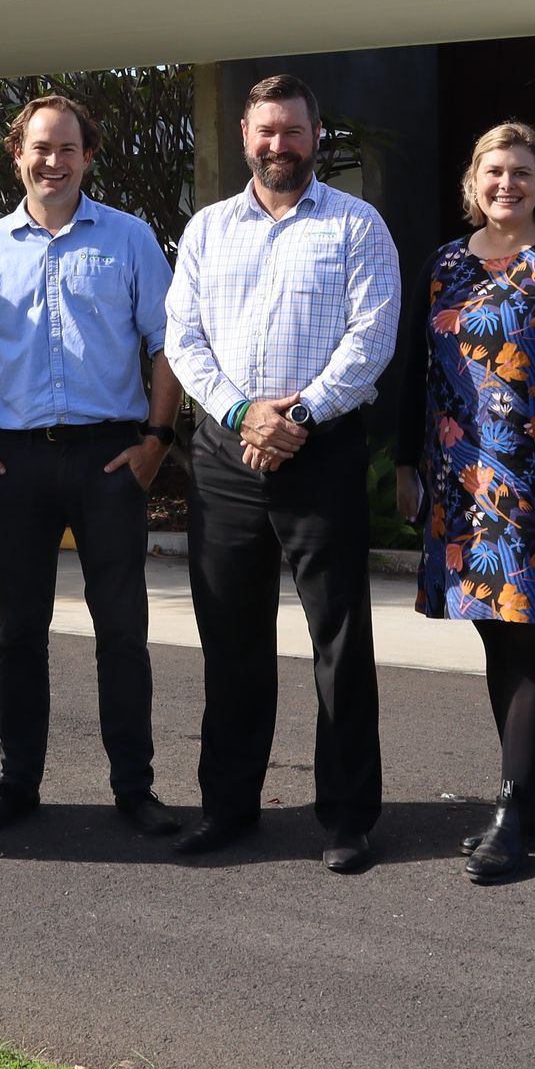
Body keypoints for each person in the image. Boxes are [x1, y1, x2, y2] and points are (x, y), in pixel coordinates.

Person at [164, 71, 401, 874]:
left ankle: (347, 818)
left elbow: (372, 338)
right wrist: (242, 416)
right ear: (244, 138)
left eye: (293, 132)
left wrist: (295, 417)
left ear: (316, 134)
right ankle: (228, 808)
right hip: (226, 457)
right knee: (230, 642)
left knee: (338, 639)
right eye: (266, 132)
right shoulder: (205, 230)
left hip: (321, 449)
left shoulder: (357, 225)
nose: (279, 146)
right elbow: (184, 340)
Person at [0, 93, 184, 839]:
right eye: (39, 149)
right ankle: (18, 782)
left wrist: (156, 439)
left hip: (110, 458)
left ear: (88, 156)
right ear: (18, 154)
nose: (53, 161)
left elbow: (166, 341)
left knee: (122, 630)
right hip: (15, 463)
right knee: (19, 633)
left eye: (67, 149)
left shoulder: (130, 238)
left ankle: (134, 787)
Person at [394, 119, 535, 884]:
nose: (506, 184)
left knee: (534, 639)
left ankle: (511, 809)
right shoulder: (444, 265)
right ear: (473, 179)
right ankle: (528, 802)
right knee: (497, 635)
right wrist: (404, 463)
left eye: (521, 172)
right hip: (463, 482)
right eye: (494, 171)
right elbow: (415, 373)